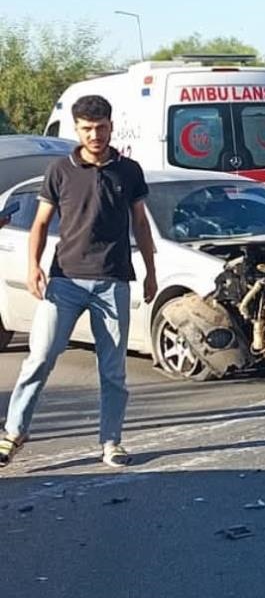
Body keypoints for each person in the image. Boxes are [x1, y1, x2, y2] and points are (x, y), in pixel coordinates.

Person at [0, 95, 157, 470]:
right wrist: (32, 267)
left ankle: (111, 442)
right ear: (77, 129)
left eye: (101, 127)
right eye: (87, 128)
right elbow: (39, 224)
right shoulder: (60, 170)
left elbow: (140, 223)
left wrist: (151, 271)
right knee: (39, 358)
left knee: (113, 370)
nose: (95, 135)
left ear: (111, 126)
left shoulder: (129, 171)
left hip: (112, 280)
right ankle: (14, 434)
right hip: (64, 280)